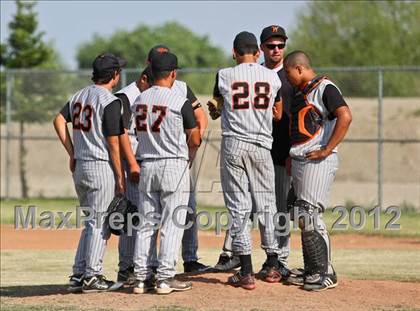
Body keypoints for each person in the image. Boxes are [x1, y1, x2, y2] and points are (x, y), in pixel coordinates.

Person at [213, 25, 294, 281]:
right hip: (262, 145)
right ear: (258, 52)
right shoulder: (272, 77)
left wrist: (223, 110)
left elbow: (217, 105)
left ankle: (245, 271)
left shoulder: (224, 74)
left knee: (239, 206)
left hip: (234, 144)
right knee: (267, 203)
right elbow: (279, 113)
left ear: (234, 53)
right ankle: (272, 263)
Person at [53, 53, 130, 293]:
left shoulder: (78, 96)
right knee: (100, 224)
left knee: (90, 223)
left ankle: (79, 274)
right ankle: (92, 277)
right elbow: (114, 142)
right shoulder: (109, 100)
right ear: (114, 75)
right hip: (100, 167)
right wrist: (120, 175)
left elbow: (58, 120)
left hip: (81, 168)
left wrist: (72, 152)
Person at [131, 52, 201, 294]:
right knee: (173, 222)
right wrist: (190, 152)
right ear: (173, 73)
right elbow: (195, 136)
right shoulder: (179, 100)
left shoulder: (139, 100)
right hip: (173, 165)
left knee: (147, 224)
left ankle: (140, 278)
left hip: (147, 164)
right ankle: (165, 278)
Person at [283, 50, 352, 291]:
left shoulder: (325, 87)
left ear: (299, 68)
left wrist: (327, 149)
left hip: (318, 161)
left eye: (288, 71)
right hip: (302, 160)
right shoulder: (302, 92)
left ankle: (325, 272)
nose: (287, 76)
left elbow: (345, 116)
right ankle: (313, 268)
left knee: (309, 213)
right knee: (301, 215)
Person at [146, 45, 211, 274]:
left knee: (184, 211)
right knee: (162, 220)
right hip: (165, 159)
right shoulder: (142, 90)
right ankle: (155, 270)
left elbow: (200, 117)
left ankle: (189, 259)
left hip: (167, 160)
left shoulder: (180, 88)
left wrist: (193, 149)